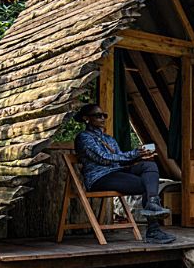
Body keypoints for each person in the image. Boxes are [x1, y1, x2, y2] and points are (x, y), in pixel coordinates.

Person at [73, 103, 176, 245]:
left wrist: (139, 156)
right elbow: (103, 158)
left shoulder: (109, 139)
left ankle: (152, 203)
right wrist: (133, 153)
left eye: (104, 115)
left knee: (149, 165)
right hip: (100, 177)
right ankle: (153, 230)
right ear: (86, 118)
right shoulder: (83, 138)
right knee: (146, 184)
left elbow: (120, 160)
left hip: (117, 172)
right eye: (98, 115)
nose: (102, 118)